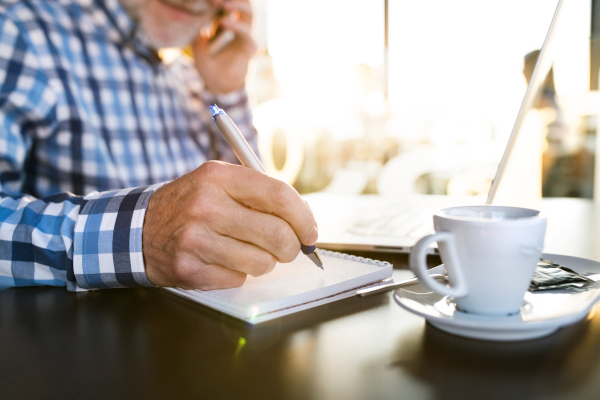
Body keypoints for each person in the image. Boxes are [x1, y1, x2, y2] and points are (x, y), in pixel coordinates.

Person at [0, 0, 318, 292]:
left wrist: (228, 88)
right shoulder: (21, 30)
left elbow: (253, 207)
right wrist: (139, 237)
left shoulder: (197, 80)